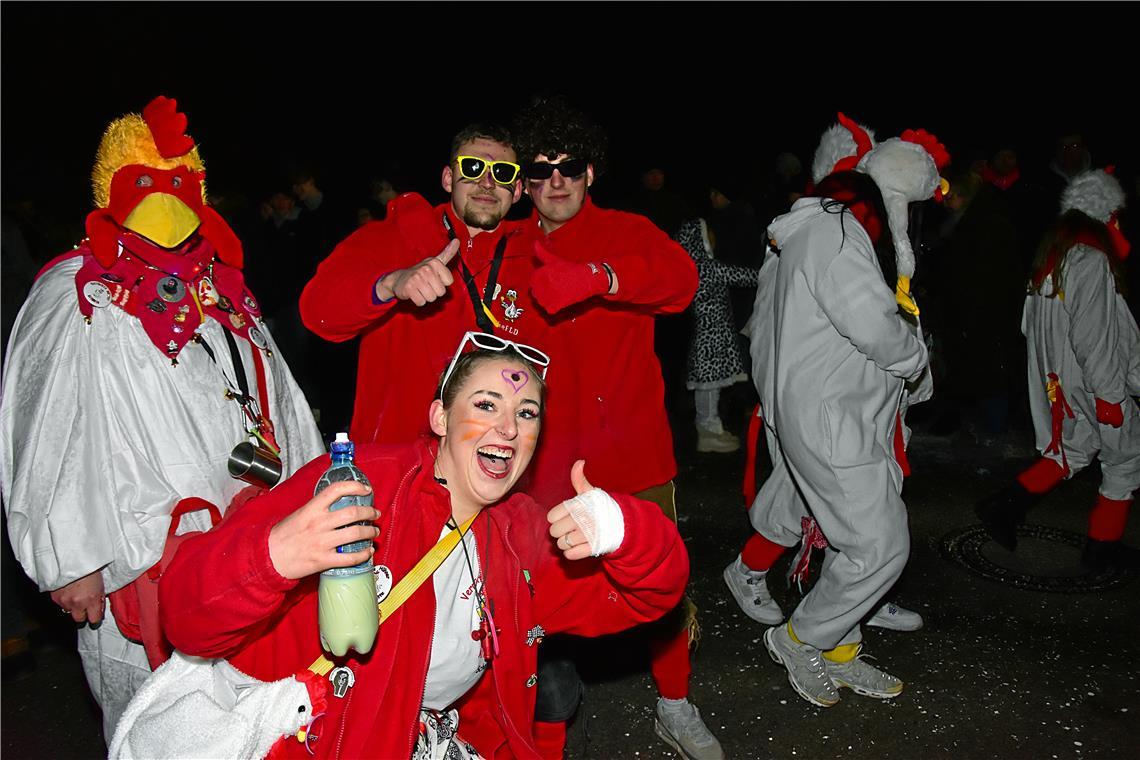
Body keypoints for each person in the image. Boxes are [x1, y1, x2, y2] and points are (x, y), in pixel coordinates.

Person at [153, 335, 690, 759]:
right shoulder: (355, 486)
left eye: (527, 413)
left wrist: (623, 528)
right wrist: (272, 558)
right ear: (440, 418)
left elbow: (650, 598)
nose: (508, 426)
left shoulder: (521, 537)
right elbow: (184, 618)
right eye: (487, 403)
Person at [0, 96, 324, 740]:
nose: (165, 199)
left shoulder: (221, 288)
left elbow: (281, 398)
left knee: (252, 718)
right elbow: (47, 426)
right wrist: (71, 560)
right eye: (146, 182)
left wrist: (310, 494)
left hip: (249, 543)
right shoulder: (80, 292)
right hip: (139, 553)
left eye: (179, 183)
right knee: (155, 721)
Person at [511, 97, 714, 760]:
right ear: (526, 182)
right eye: (541, 171)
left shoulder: (628, 231)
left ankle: (676, 705)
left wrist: (600, 277)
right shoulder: (509, 248)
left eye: (569, 167)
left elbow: (682, 283)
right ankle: (544, 732)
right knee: (538, 601)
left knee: (663, 590)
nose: (557, 181)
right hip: (539, 465)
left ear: (591, 172)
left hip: (632, 452)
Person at [731, 117, 947, 708]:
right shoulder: (836, 231)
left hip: (841, 409)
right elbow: (875, 324)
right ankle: (800, 638)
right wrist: (914, 355)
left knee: (850, 538)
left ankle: (840, 649)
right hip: (831, 416)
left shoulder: (822, 229)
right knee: (879, 546)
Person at [300, 124, 544, 446]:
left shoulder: (537, 257)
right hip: (394, 460)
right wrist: (390, 284)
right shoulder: (394, 236)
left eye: (501, 172)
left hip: (490, 459)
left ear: (516, 190)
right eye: (472, 168)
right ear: (448, 178)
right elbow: (317, 311)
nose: (487, 182)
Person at [976, 168, 1139, 569]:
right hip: (1093, 383)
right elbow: (1094, 336)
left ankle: (1004, 506)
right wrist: (1110, 396)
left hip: (1063, 382)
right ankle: (1102, 546)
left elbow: (1029, 326)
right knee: (1125, 457)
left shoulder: (1055, 257)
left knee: (1074, 448)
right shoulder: (1091, 261)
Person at [674, 216, 759, 453]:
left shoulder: (689, 266)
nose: (713, 236)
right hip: (710, 339)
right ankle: (708, 429)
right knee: (710, 386)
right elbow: (741, 276)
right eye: (708, 233)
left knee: (710, 386)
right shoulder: (706, 267)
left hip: (708, 337)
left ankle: (711, 427)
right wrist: (767, 273)